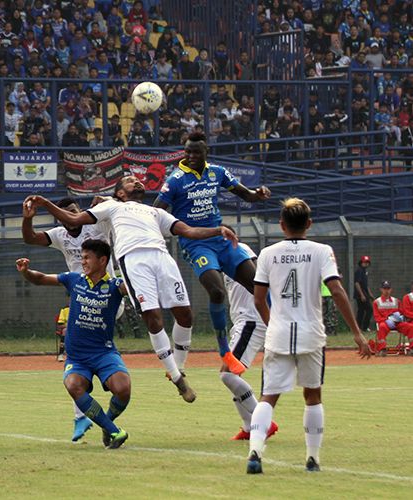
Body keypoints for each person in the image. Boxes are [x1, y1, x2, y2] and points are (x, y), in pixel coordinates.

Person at [26, 176, 240, 403]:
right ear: (119, 193)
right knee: (153, 316)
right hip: (134, 259)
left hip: (161, 256)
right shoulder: (112, 207)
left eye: (138, 180)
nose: (136, 182)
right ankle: (177, 378)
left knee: (185, 315)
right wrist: (45, 204)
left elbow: (188, 230)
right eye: (129, 181)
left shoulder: (155, 212)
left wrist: (218, 230)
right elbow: (73, 217)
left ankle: (177, 367)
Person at [246, 198, 372, 474]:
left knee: (268, 396)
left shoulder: (267, 253)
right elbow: (337, 291)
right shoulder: (322, 251)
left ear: (281, 224)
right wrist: (357, 333)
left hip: (278, 334)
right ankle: (312, 459)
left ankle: (255, 452)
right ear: (309, 224)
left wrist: (273, 324)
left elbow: (258, 300)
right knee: (313, 396)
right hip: (311, 334)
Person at [153, 131, 271, 376]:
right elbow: (156, 211)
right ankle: (224, 350)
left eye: (196, 152)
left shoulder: (217, 172)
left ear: (206, 152)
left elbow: (244, 194)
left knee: (259, 285)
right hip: (197, 244)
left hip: (223, 239)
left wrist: (257, 195)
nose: (191, 156)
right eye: (188, 152)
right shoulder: (175, 180)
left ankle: (276, 334)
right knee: (217, 292)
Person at [16, 239, 131, 449]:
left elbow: (136, 285)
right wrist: (26, 272)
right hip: (77, 357)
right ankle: (114, 432)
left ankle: (106, 424)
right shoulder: (74, 279)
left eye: (87, 257)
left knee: (123, 389)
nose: (83, 261)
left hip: (104, 353)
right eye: (82, 257)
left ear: (102, 260)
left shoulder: (115, 286)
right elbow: (40, 279)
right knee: (73, 385)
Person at [22, 196, 110, 441]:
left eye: (71, 210)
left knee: (78, 353)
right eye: (62, 213)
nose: (68, 216)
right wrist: (27, 220)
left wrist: (106, 203)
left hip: (109, 297)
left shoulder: (98, 225)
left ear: (80, 211)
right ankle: (86, 414)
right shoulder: (60, 234)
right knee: (79, 353)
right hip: (82, 301)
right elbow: (30, 239)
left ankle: (84, 414)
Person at [221, 236, 278, 442]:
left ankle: (262, 423)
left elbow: (262, 281)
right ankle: (248, 426)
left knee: (228, 375)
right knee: (232, 375)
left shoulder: (239, 249)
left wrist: (271, 316)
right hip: (242, 321)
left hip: (251, 320)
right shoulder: (219, 257)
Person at [371, 281, 413, 355]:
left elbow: (402, 313)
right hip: (385, 323)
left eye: (388, 288)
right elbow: (377, 317)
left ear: (391, 289)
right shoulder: (376, 302)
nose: (386, 291)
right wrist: (387, 320)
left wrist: (399, 317)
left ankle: (412, 348)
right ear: (381, 289)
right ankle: (382, 349)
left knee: (410, 326)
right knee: (382, 327)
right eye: (384, 289)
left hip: (397, 323)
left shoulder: (397, 301)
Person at [354, 255, 373, 332]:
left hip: (365, 293)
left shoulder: (365, 272)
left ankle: (359, 328)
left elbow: (366, 284)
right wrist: (361, 295)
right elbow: (357, 283)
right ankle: (364, 327)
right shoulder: (359, 271)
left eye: (367, 262)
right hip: (360, 295)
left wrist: (370, 293)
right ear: (361, 262)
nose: (366, 264)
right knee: (369, 309)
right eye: (364, 262)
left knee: (361, 311)